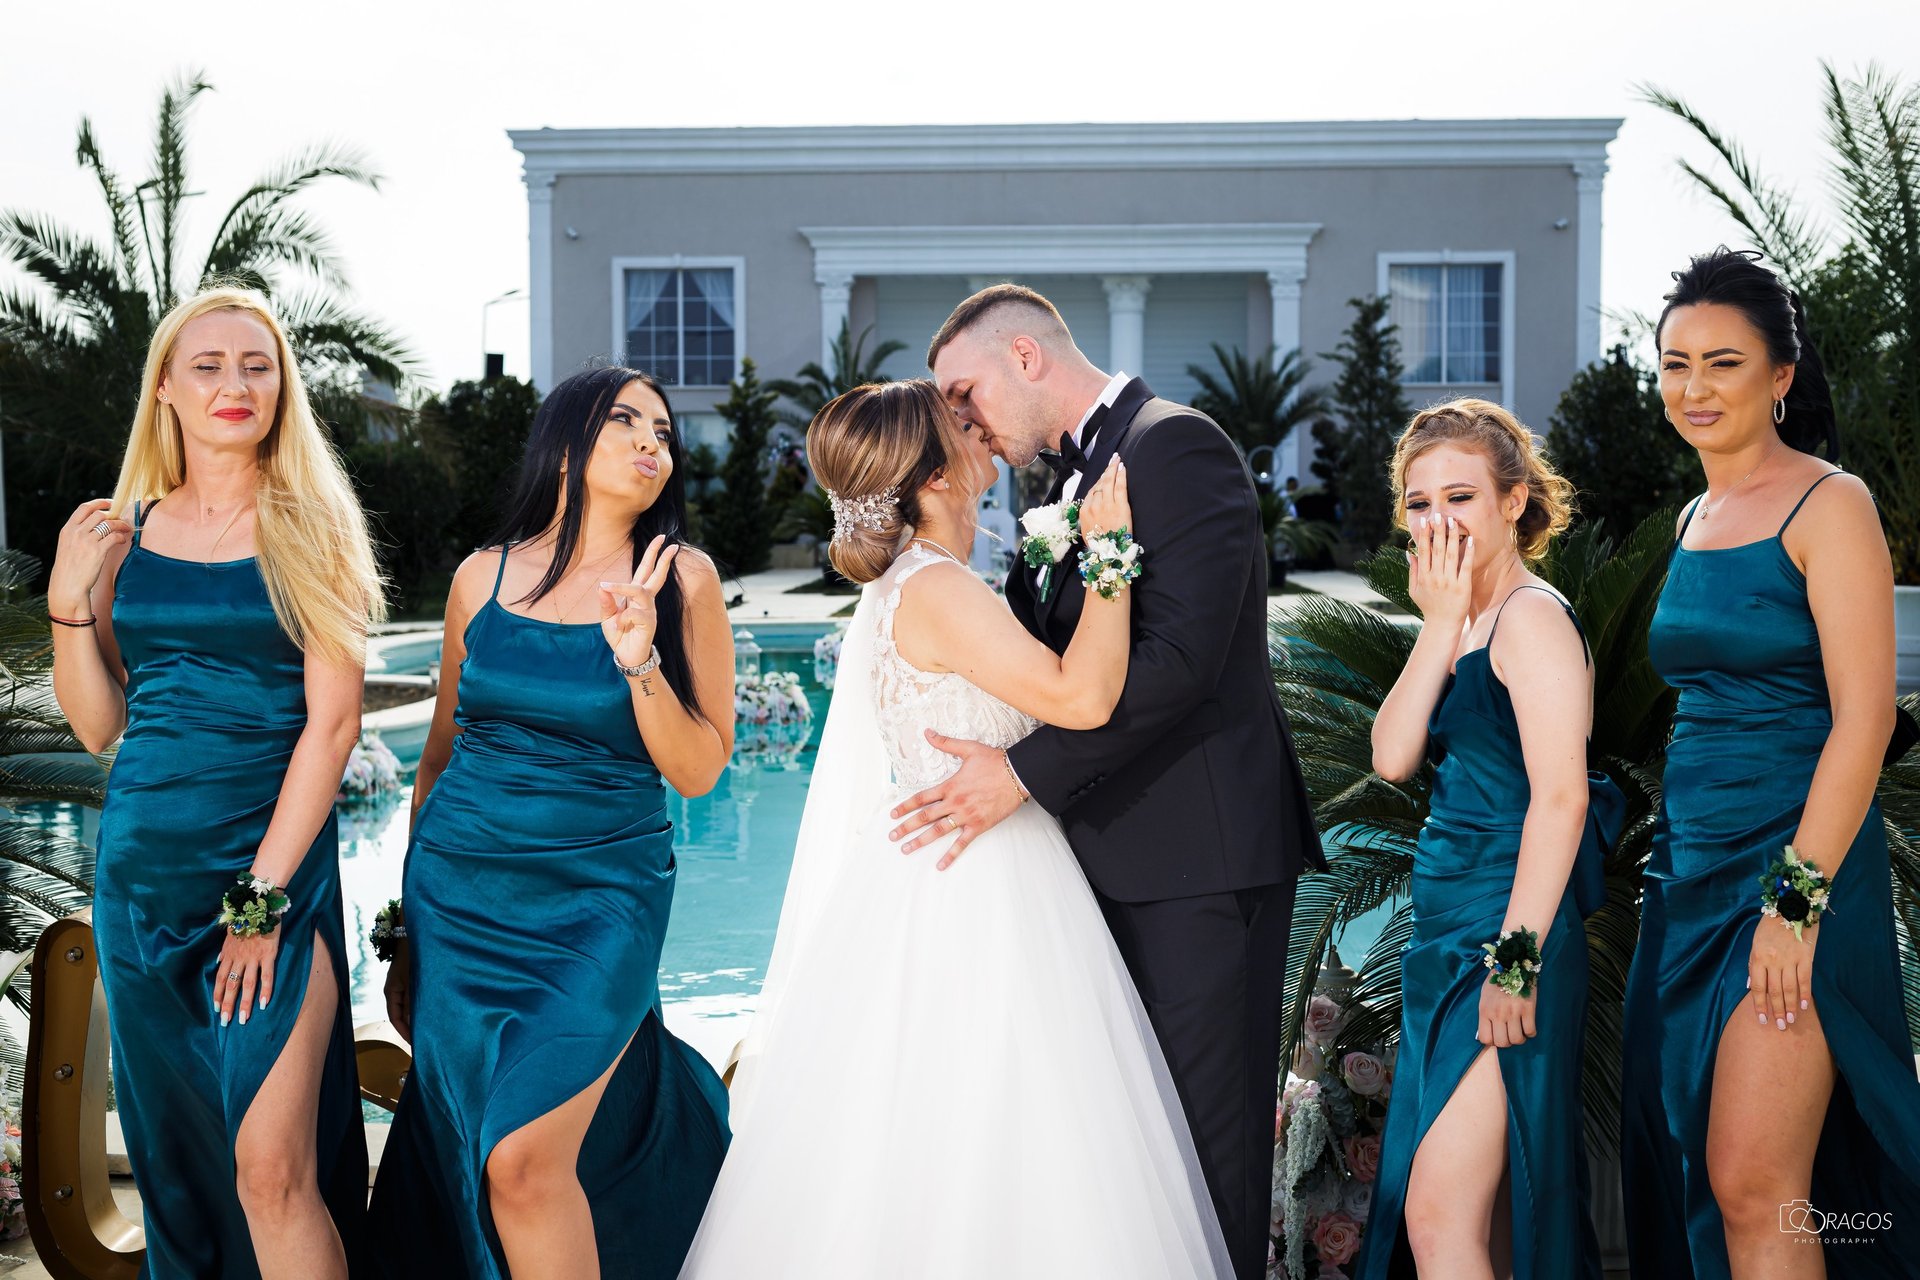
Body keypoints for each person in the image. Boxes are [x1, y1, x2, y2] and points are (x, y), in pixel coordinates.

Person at [679, 378, 1231, 1278]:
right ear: (935, 477)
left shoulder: (921, 585)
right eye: (960, 428)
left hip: (945, 868)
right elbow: (1083, 697)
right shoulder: (936, 588)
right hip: (983, 887)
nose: (981, 433)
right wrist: (1113, 552)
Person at [899, 284, 1325, 1279]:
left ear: (1027, 357)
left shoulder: (1178, 445)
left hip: (1197, 864)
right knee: (1128, 1158)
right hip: (1099, 864)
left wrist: (1023, 776)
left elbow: (1178, 659)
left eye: (964, 392)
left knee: (1204, 1156)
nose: (958, 420)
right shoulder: (1052, 482)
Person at [368, 366, 732, 1280]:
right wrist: (409, 935)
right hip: (462, 897)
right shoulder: (477, 579)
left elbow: (697, 769)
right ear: (563, 444)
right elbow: (438, 761)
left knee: (524, 1165)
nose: (654, 442)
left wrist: (641, 660)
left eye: (663, 431)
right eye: (626, 422)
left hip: (600, 899)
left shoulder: (683, 579)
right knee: (479, 1144)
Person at [50, 285, 382, 1278]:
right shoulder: (127, 536)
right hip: (143, 887)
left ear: (283, 388)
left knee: (273, 1168)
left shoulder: (313, 524)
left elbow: (332, 724)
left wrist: (260, 897)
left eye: (257, 364)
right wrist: (71, 605)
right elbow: (104, 722)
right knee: (184, 1167)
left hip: (267, 881)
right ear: (165, 388)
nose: (234, 383)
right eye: (208, 365)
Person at [1622, 248, 1920, 1277]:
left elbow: (1865, 719)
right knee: (1703, 1170)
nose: (1693, 388)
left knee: (1758, 1181)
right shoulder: (1692, 518)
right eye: (1674, 364)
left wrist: (1795, 904)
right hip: (1686, 873)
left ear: (1782, 376)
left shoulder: (1829, 505)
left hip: (1796, 868)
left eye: (1723, 363)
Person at [1351, 400, 1619, 1278]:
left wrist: (1517, 960)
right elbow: (1391, 755)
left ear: (1514, 502)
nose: (1438, 521)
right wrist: (1435, 624)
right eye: (1420, 503)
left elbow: (1561, 803)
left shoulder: (1533, 620)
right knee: (1488, 1221)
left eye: (1460, 496)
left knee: (1437, 1214)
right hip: (1447, 934)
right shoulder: (1465, 619)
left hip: (1506, 935)